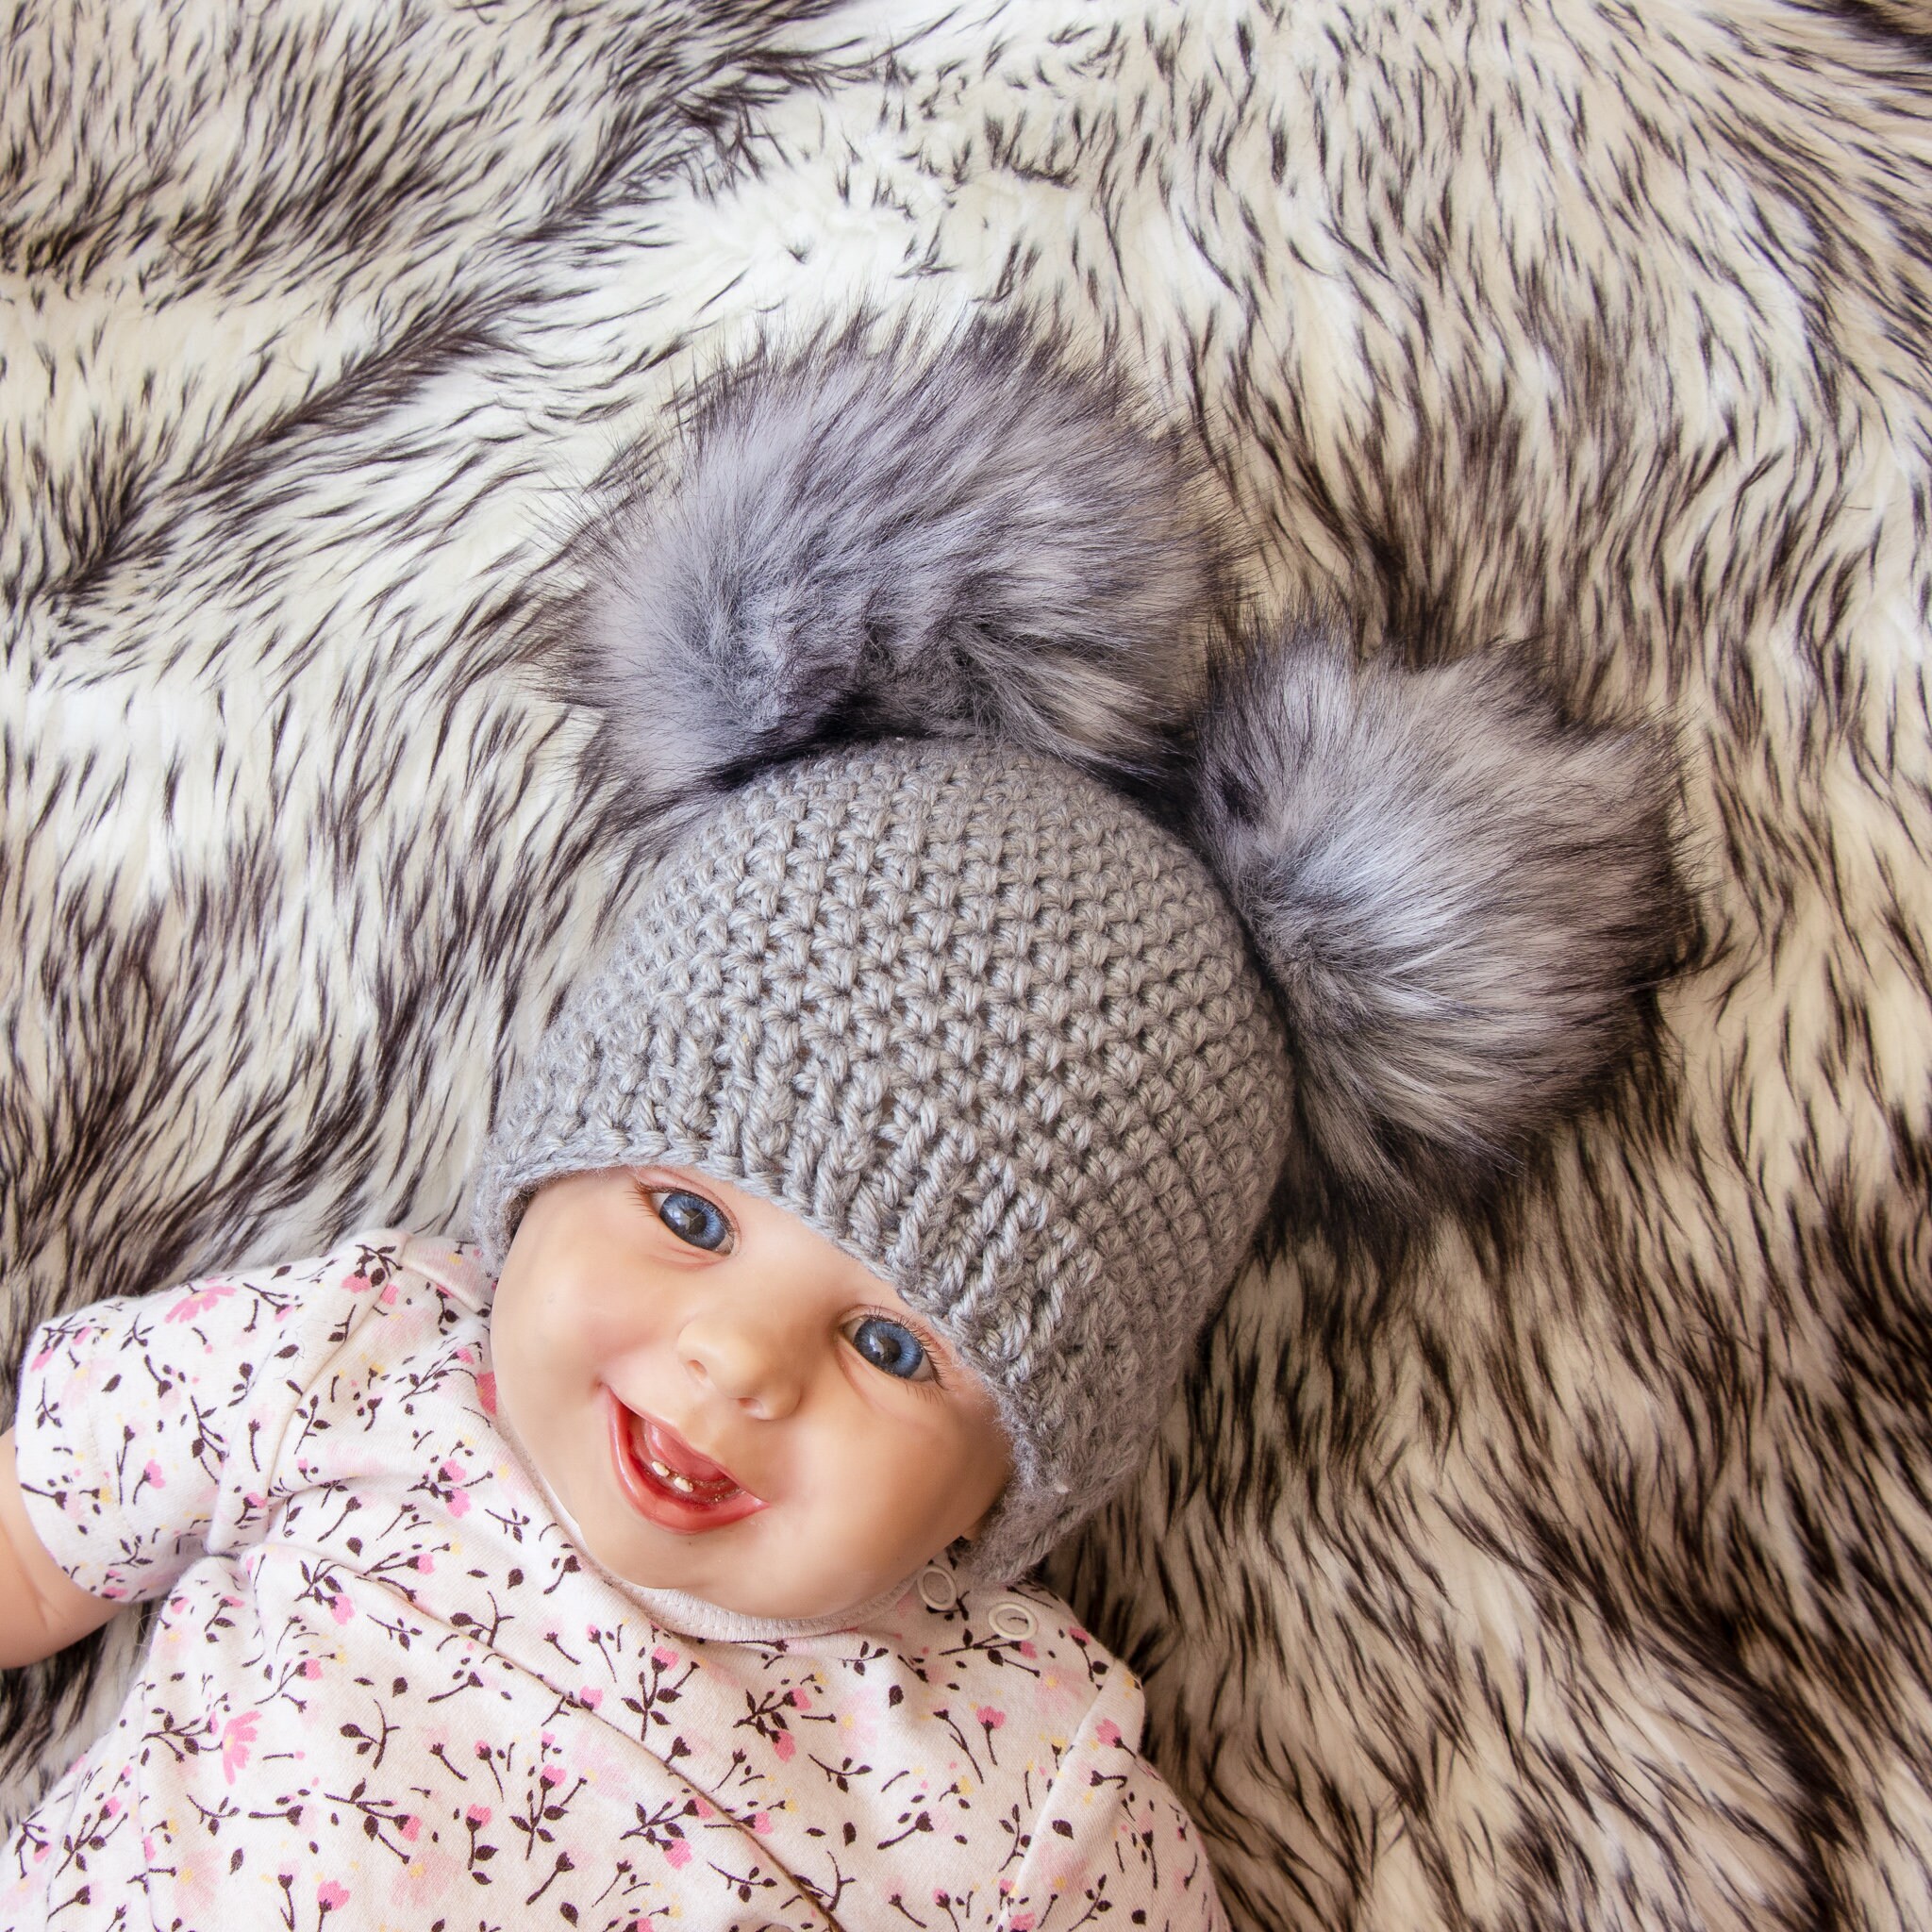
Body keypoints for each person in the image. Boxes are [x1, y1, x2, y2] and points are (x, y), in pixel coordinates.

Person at [0, 331, 1684, 1932]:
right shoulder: (362, 1359)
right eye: (693, 1216)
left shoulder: (1017, 1770)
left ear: (1010, 1486)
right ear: (545, 1169)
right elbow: (38, 1526)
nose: (738, 1362)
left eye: (893, 1341)